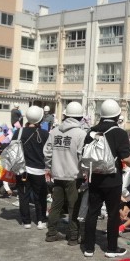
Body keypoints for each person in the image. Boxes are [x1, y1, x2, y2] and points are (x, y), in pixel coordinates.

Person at [83, 99, 130, 258]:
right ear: (117, 115)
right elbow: (126, 158)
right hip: (113, 179)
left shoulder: (91, 131)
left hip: (95, 177)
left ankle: (88, 248)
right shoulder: (119, 133)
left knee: (92, 212)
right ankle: (111, 248)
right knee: (113, 214)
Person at [44, 101, 86, 245]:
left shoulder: (54, 131)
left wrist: (50, 167)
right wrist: (84, 172)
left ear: (66, 115)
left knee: (56, 205)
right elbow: (82, 157)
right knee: (73, 207)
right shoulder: (81, 134)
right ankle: (73, 237)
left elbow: (47, 153)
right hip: (74, 176)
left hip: (57, 174)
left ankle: (51, 233)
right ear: (80, 117)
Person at [13, 106, 49, 230]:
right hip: (39, 170)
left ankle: (26, 221)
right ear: (40, 119)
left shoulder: (19, 132)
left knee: (23, 195)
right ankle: (41, 220)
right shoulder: (45, 134)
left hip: (22, 169)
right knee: (40, 196)